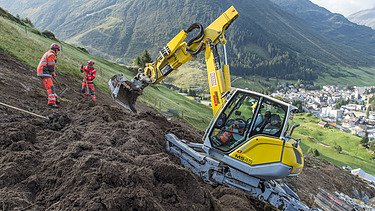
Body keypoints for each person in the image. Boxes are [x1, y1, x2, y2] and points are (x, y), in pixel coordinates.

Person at [37, 43, 60, 107]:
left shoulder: (48, 53)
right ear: (55, 50)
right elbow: (50, 66)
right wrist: (52, 73)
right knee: (50, 87)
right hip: (43, 71)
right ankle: (51, 102)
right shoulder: (51, 54)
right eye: (57, 50)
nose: (57, 52)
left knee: (50, 86)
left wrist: (52, 73)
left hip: (44, 71)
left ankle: (55, 98)